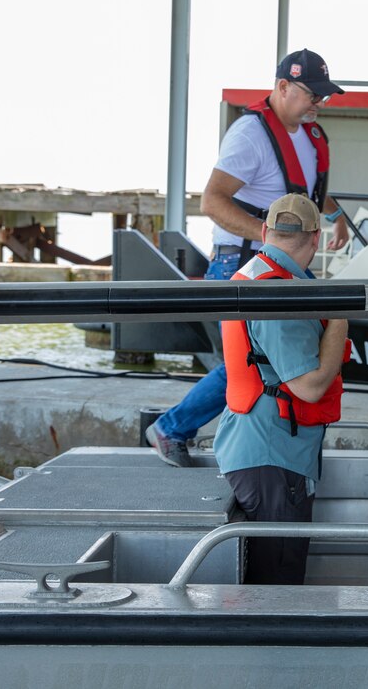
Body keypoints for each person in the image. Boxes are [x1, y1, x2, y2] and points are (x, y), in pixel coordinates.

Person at [146, 49, 349, 467]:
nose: (319, 104)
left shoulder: (305, 138)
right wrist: (268, 236)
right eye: (313, 95)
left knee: (278, 356)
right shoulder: (250, 134)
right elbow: (212, 202)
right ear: (283, 87)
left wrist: (335, 215)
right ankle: (171, 428)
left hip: (286, 266)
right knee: (249, 361)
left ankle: (269, 437)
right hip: (246, 265)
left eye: (323, 97)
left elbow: (307, 189)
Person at [213, 193, 350, 584]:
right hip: (274, 456)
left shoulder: (258, 276)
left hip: (262, 451)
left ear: (263, 232)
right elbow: (308, 387)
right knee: (278, 585)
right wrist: (340, 320)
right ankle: (270, 648)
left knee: (270, 576)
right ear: (316, 239)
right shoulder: (280, 293)